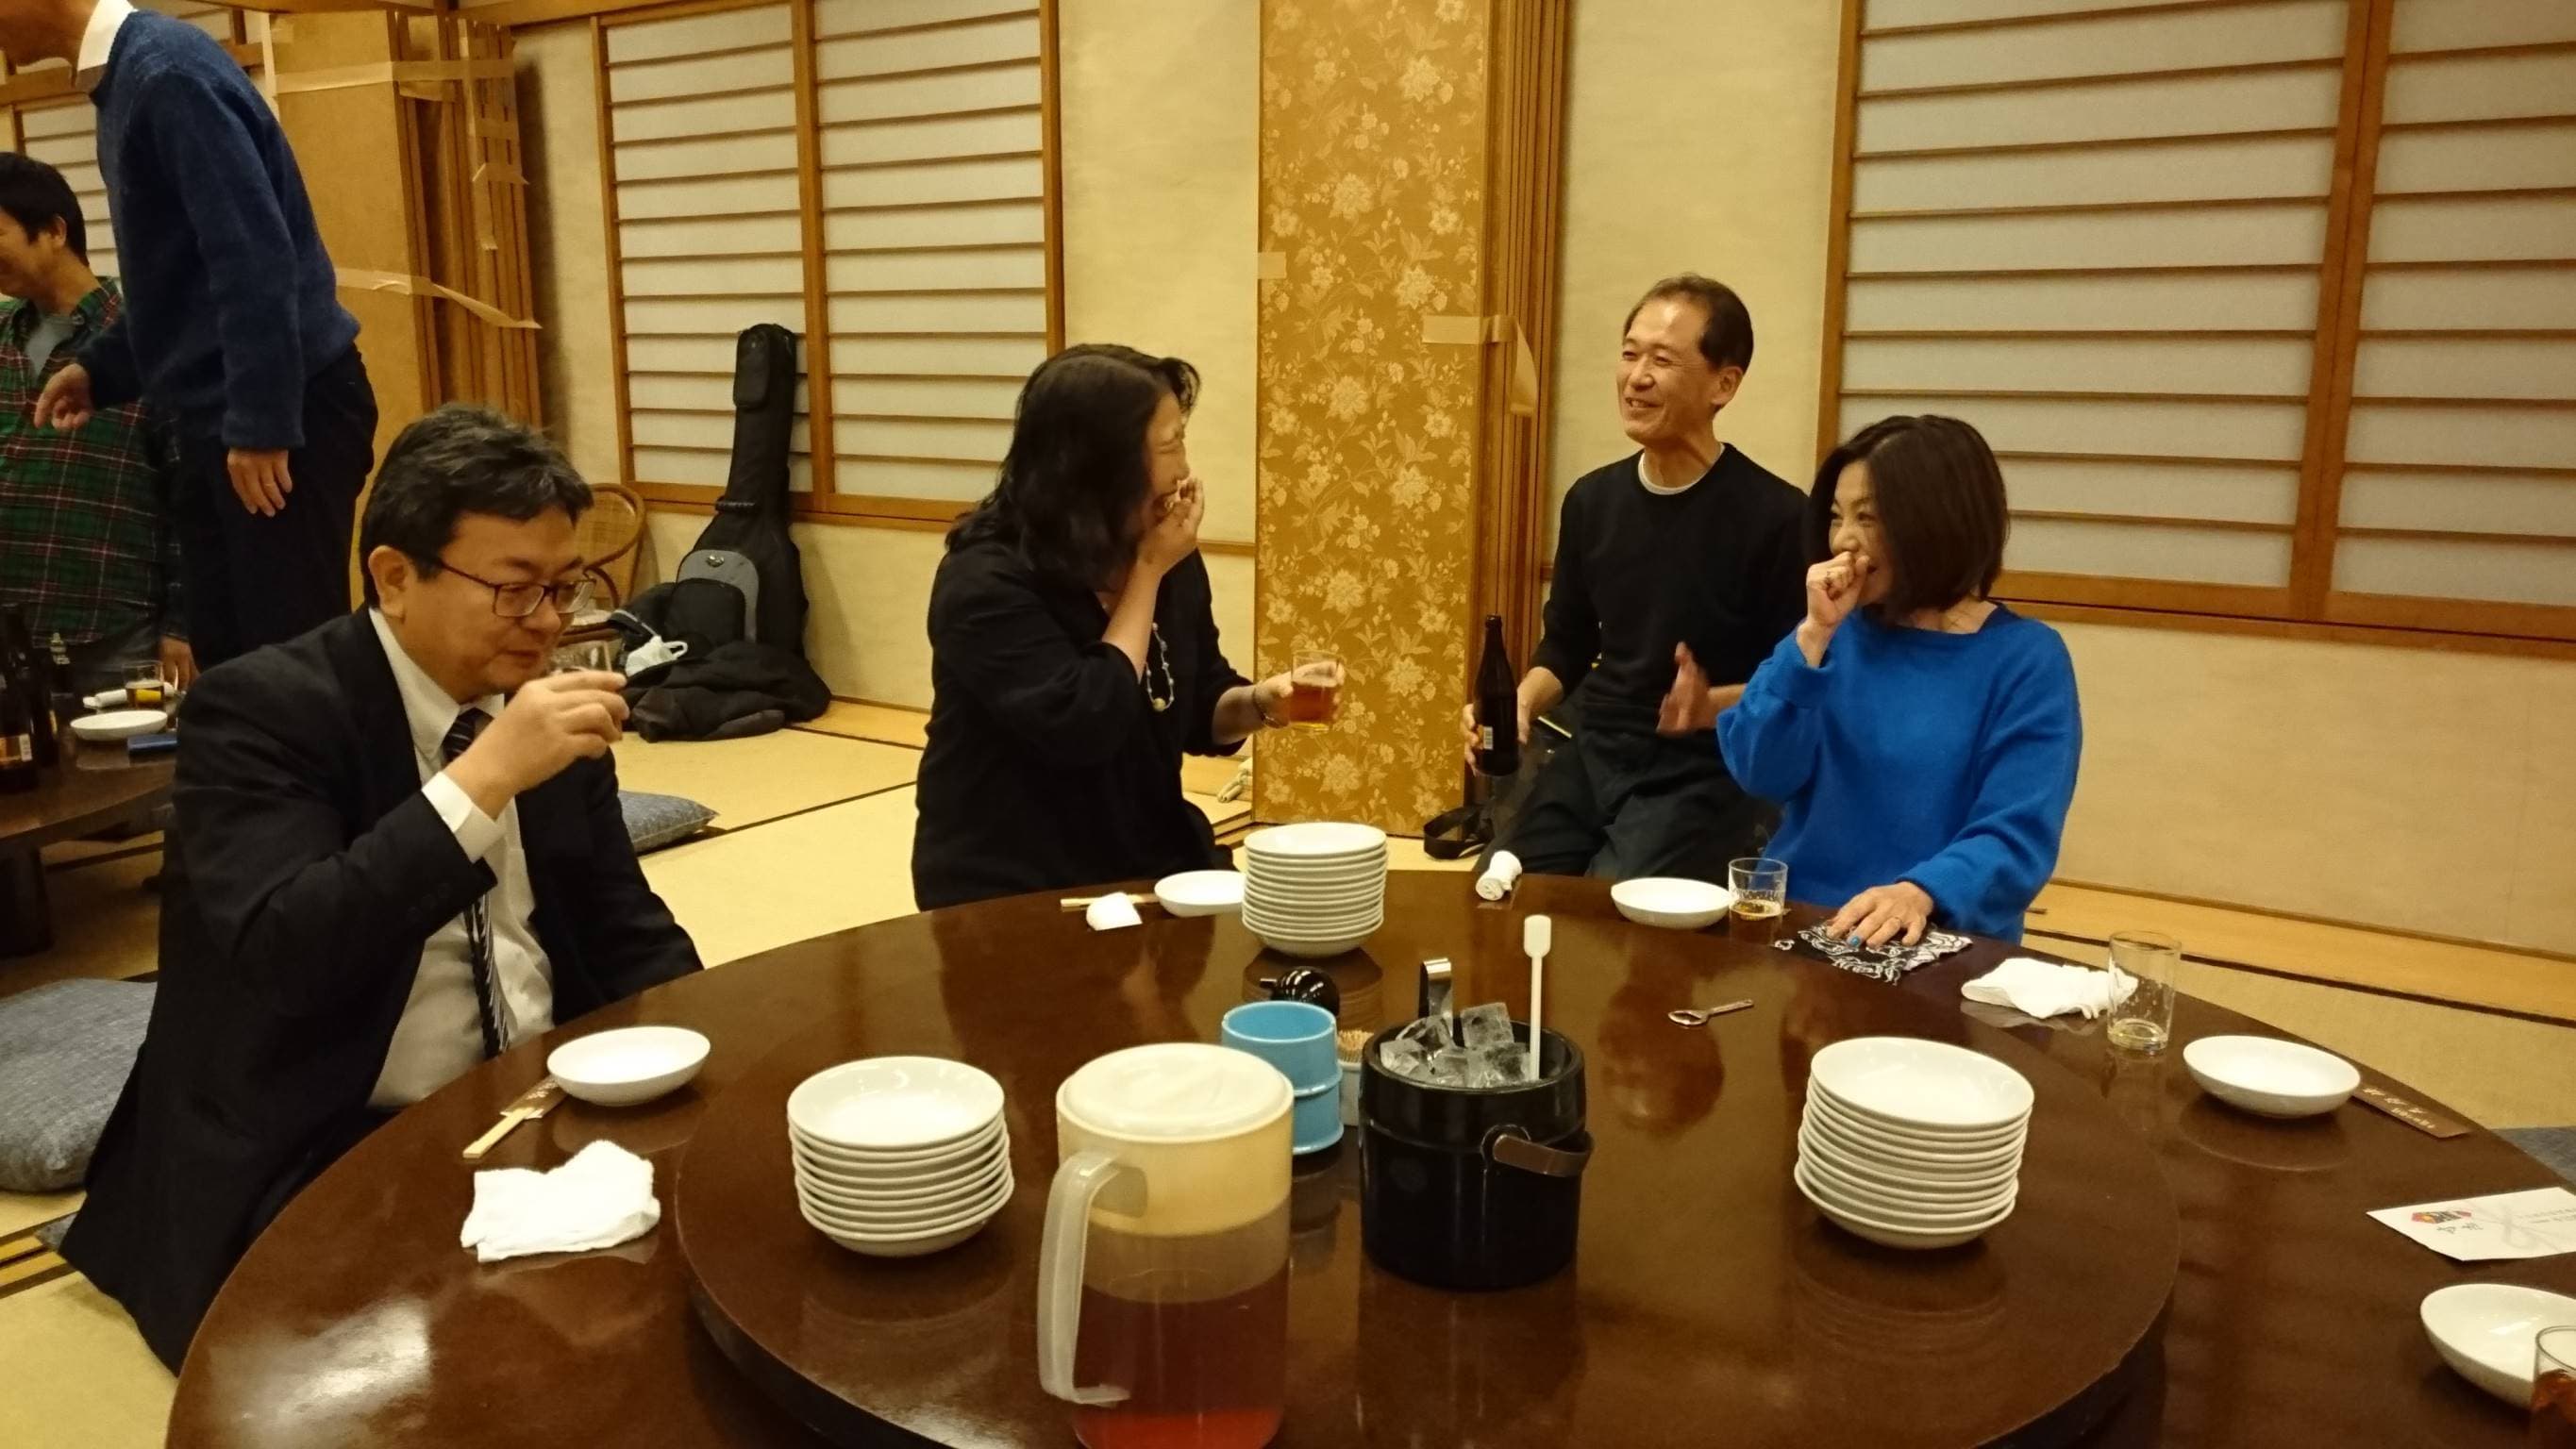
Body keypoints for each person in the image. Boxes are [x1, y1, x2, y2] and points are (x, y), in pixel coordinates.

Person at [63, 405, 703, 1370]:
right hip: (326, 1127)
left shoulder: (538, 702)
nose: (549, 621)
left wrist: (703, 1047)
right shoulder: (263, 711)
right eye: (515, 589)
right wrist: (482, 778)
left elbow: (621, 923)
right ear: (396, 577)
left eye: (564, 586)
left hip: (540, 1096)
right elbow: (289, 950)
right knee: (412, 1371)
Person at [0, 0, 377, 669]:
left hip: (282, 409)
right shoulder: (129, 78)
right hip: (224, 415)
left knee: (291, 667)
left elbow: (252, 256)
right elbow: (179, 283)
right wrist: (100, 370)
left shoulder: (165, 71)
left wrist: (260, 421)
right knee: (234, 668)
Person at [912, 344, 1294, 909]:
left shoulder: (1164, 553)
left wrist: (1262, 703)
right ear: (1101, 465)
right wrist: (1147, 574)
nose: (1184, 470)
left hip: (1151, 856)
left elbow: (1192, 702)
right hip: (1017, 881)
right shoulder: (985, 581)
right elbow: (1086, 720)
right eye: (1170, 445)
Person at [1465, 275, 1807, 883]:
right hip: (1595, 746)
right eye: (1629, 354)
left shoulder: (1777, 516)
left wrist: (1709, 704)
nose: (1636, 377)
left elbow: (1799, 677)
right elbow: (1567, 643)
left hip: (1703, 762)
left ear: (1724, 384)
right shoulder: (1592, 500)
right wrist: (1520, 704)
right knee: (1502, 889)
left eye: (1662, 360)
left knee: (1615, 910)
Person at [1717, 415, 2082, 946]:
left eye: (1867, 517)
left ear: (1937, 523)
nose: (1843, 539)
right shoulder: (1831, 634)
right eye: (1837, 517)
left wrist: (1921, 891)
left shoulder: (2025, 659)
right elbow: (1759, 771)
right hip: (1802, 922)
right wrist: (1813, 635)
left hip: (1938, 937)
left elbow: (2018, 831)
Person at [0, 153, 192, 693]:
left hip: (114, 631)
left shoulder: (141, 342)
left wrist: (183, 624)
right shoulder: (2, 331)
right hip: (9, 638)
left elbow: (188, 495)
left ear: (54, 232)